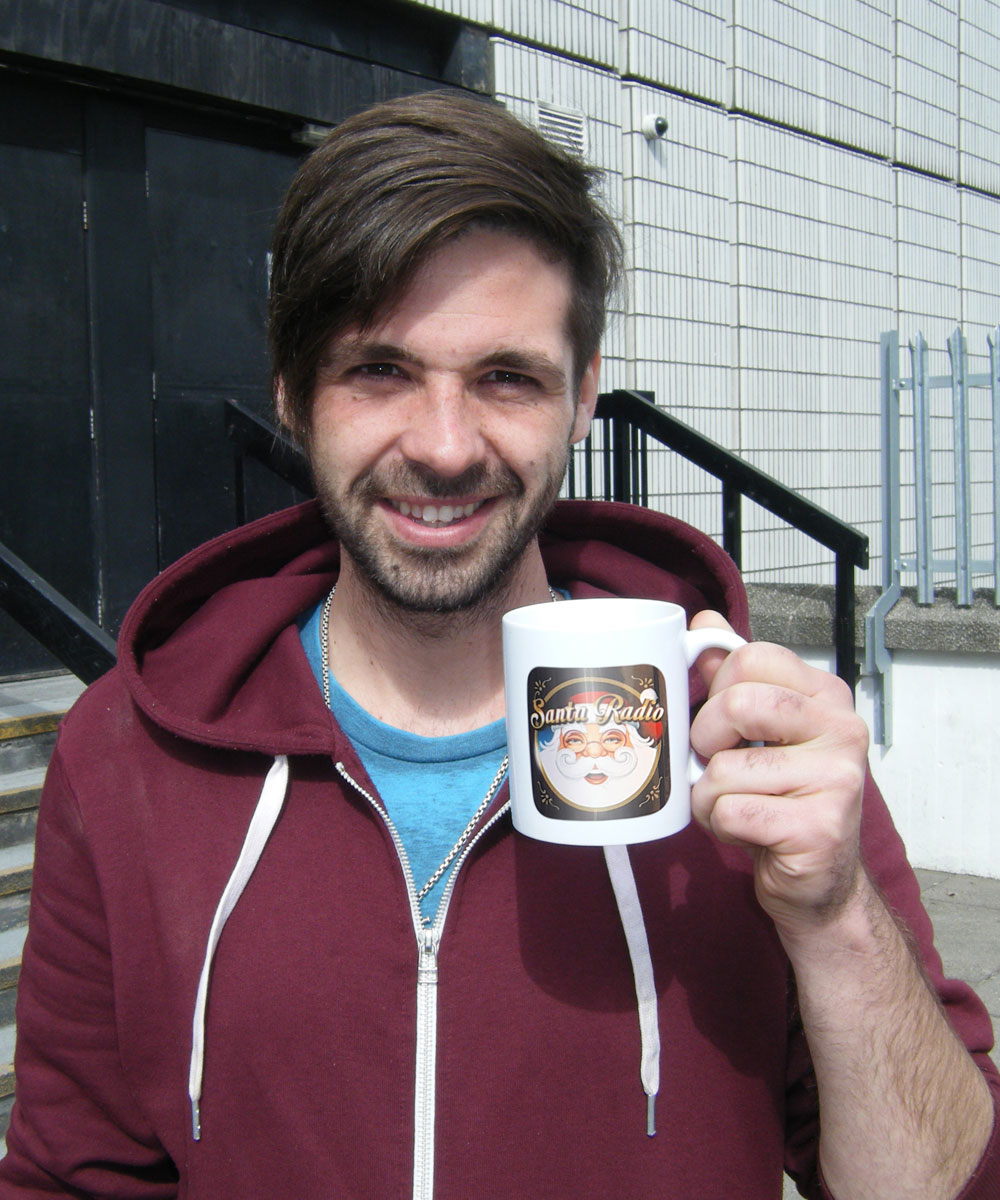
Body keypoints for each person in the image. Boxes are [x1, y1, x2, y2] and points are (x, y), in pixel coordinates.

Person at [1, 90, 997, 1200]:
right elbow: (70, 1179)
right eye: (379, 370)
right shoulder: (127, 759)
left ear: (581, 399)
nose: (442, 446)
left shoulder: (743, 748)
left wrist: (838, 921)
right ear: (291, 394)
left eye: (504, 378)